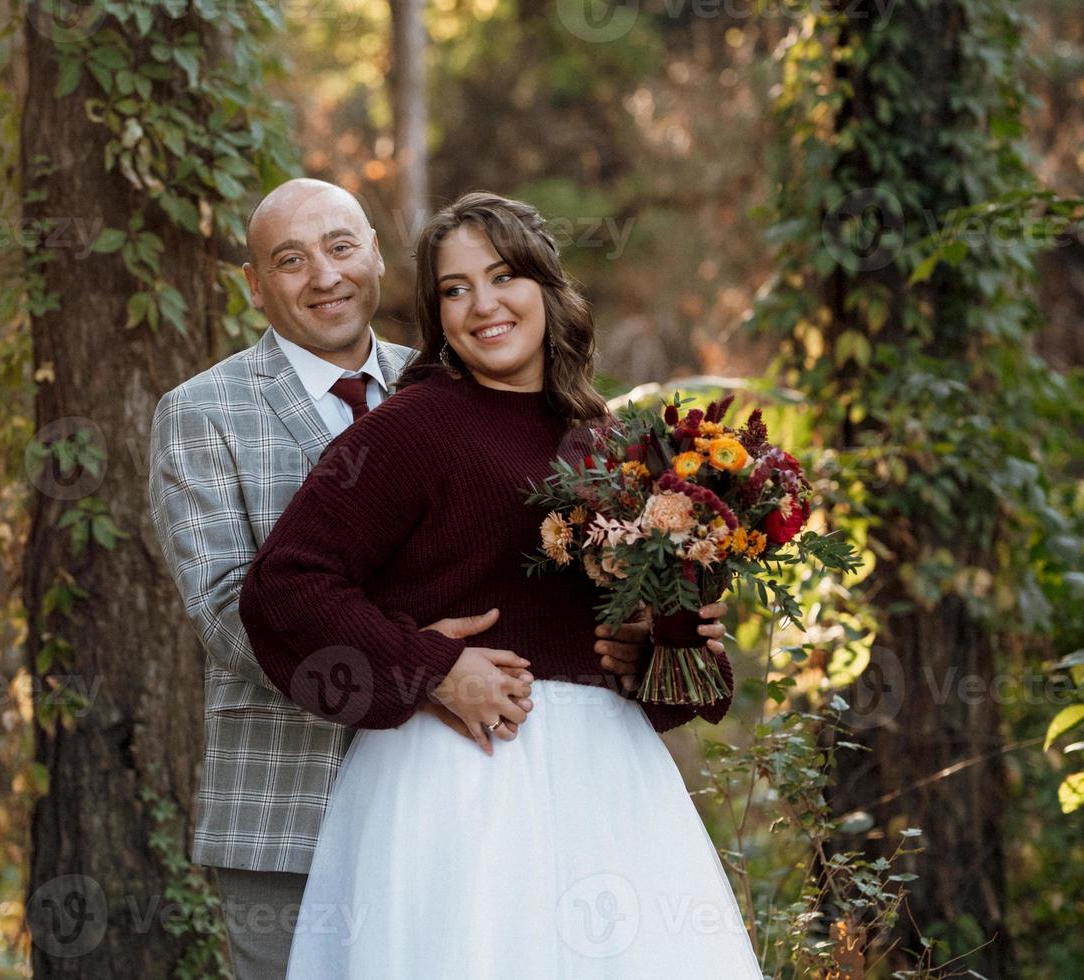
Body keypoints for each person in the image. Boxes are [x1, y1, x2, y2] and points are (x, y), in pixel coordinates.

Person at [149, 179, 724, 979]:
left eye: (502, 277)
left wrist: (653, 643)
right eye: (456, 288)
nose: (324, 275)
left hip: (599, 787)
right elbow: (247, 603)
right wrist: (420, 664)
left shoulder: (612, 441)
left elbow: (676, 674)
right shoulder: (381, 421)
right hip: (379, 783)